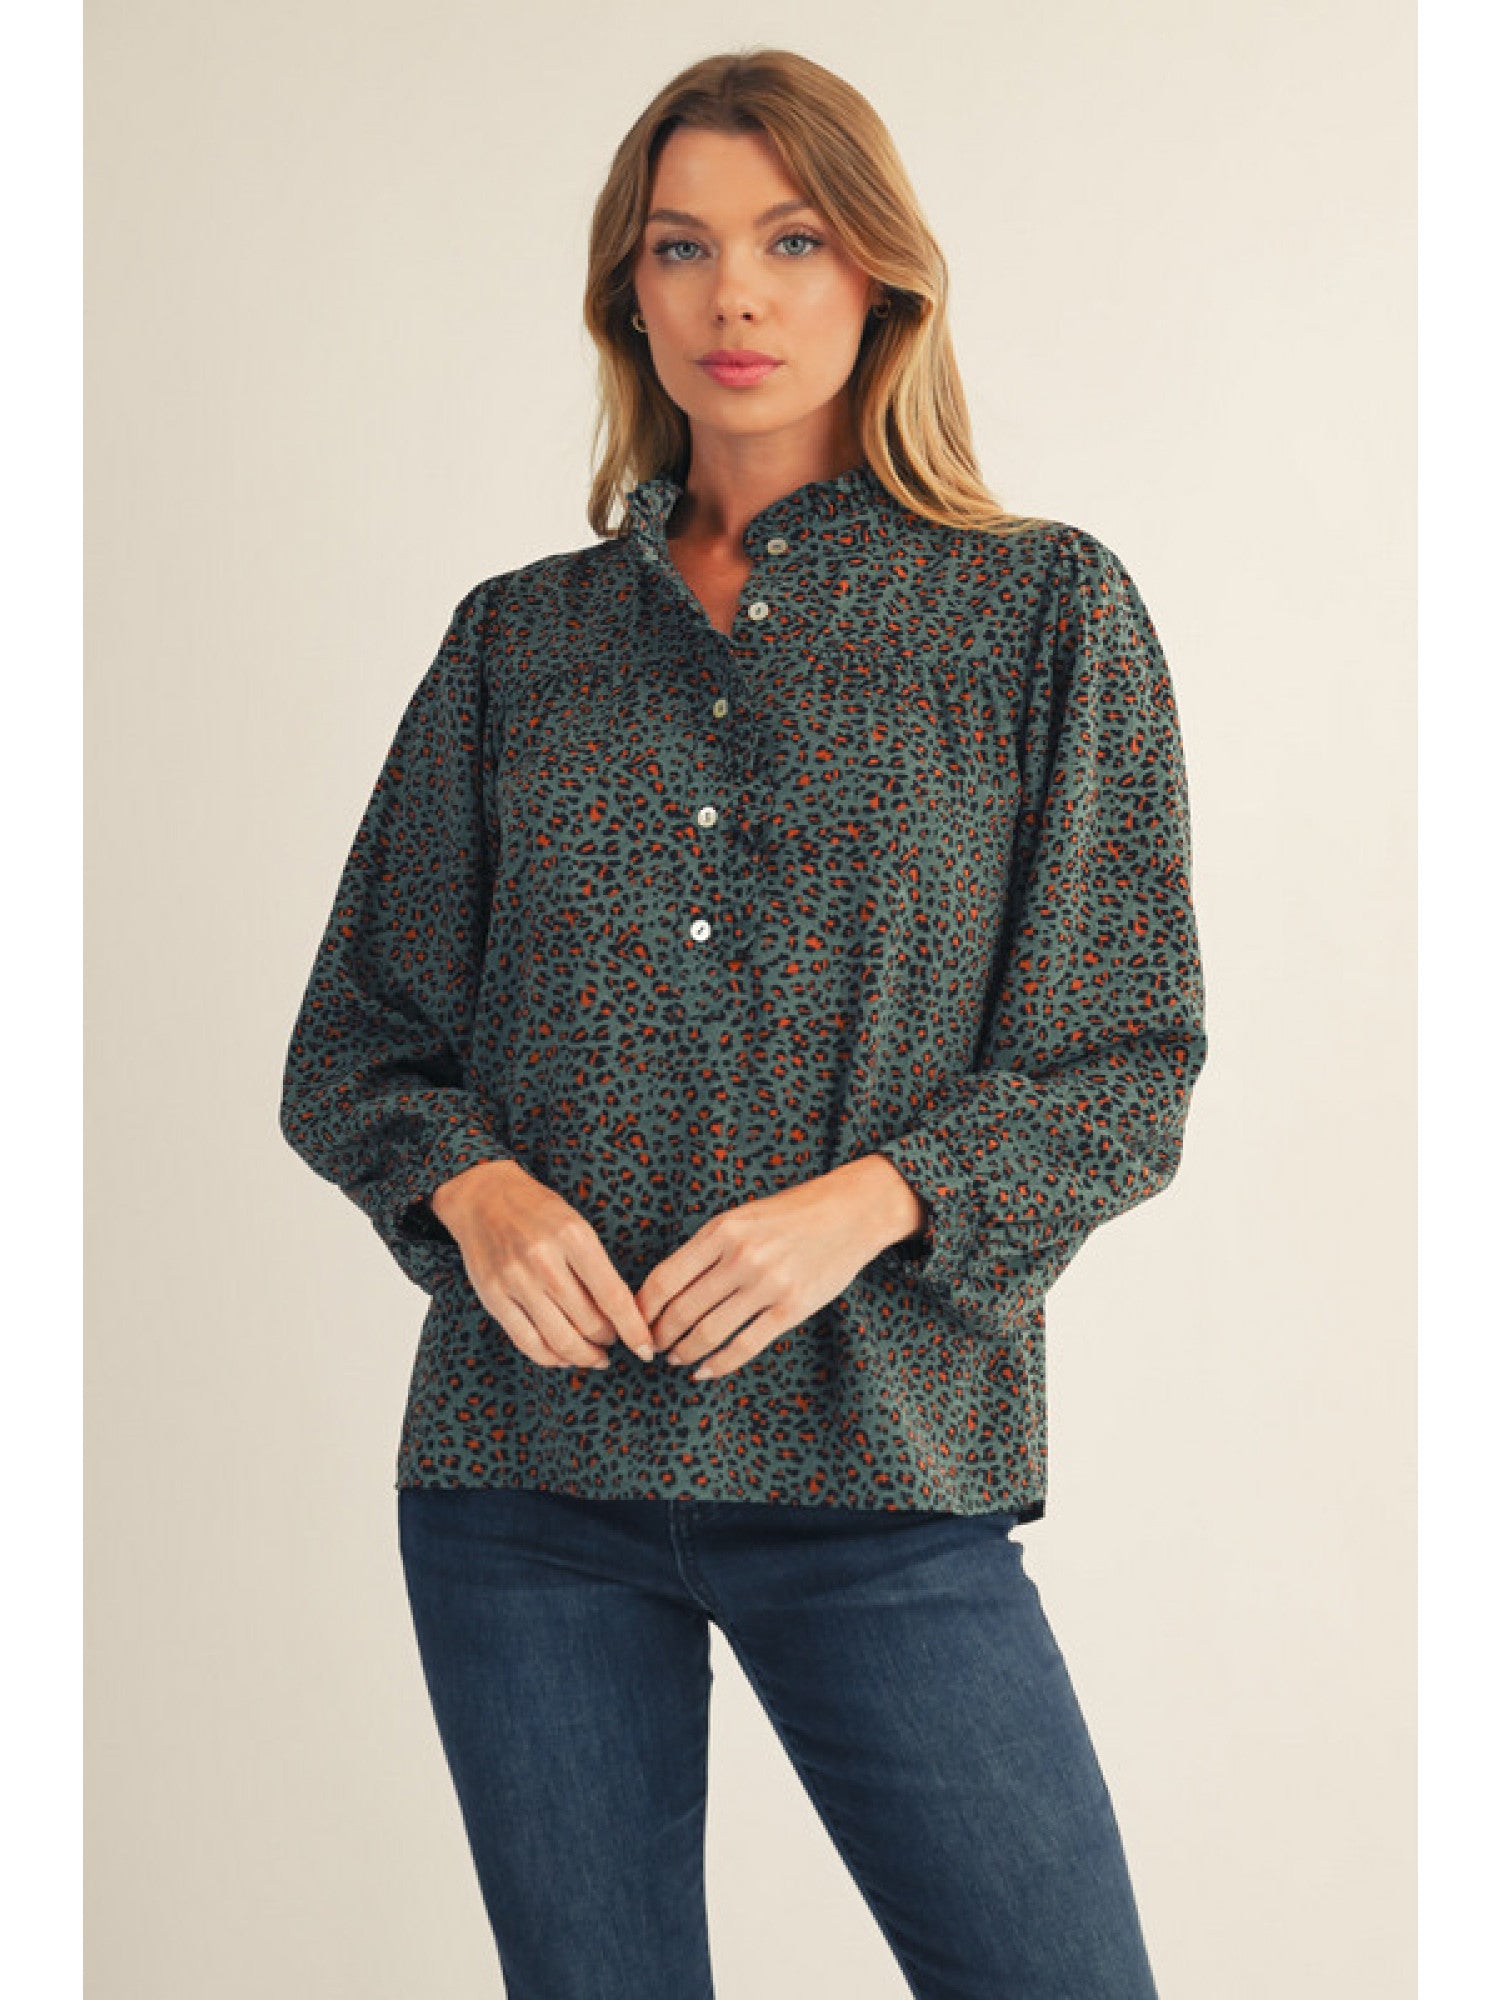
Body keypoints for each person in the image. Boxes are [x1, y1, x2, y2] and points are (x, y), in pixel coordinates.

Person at [279, 45, 1208, 2000]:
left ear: (882, 273)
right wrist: (476, 1192)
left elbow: (1125, 1062)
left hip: (883, 1475)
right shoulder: (517, 642)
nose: (737, 295)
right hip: (521, 1484)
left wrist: (870, 1201)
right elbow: (356, 1040)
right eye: (680, 246)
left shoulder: (1043, 615)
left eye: (792, 240)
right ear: (628, 290)